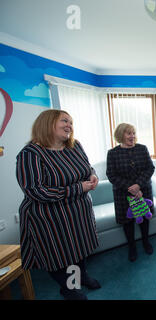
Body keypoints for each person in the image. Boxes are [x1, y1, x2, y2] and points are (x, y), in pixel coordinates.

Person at [16, 109, 100, 300]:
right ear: (47, 123)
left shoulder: (75, 146)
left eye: (71, 122)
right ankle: (69, 288)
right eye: (64, 121)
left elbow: (88, 168)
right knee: (61, 254)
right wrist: (79, 188)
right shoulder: (31, 154)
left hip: (79, 211)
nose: (69, 125)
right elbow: (35, 191)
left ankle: (81, 276)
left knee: (79, 247)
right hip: (51, 217)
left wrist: (93, 175)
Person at [106, 123, 155, 262]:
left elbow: (150, 168)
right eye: (129, 133)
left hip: (143, 190)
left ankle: (146, 242)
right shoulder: (113, 153)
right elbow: (111, 175)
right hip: (123, 194)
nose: (132, 136)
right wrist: (131, 188)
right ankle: (132, 247)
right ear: (121, 135)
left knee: (144, 219)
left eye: (133, 133)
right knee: (127, 222)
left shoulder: (142, 149)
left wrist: (138, 185)